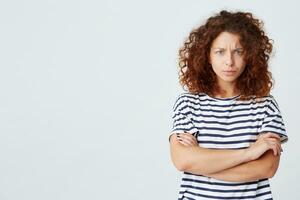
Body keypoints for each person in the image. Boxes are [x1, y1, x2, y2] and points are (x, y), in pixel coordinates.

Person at [168, 10, 288, 200]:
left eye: (238, 51)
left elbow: (267, 168)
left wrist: (201, 163)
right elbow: (183, 161)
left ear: (250, 55)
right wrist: (249, 153)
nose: (229, 62)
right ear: (207, 55)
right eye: (220, 52)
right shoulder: (187, 104)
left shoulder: (266, 105)